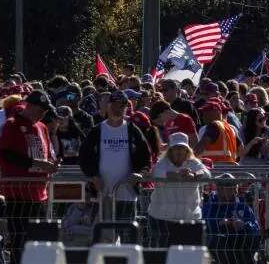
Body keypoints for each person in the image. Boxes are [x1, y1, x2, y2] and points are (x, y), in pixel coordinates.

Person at [0, 90, 58, 264]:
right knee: (19, 239)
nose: (42, 114)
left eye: (45, 111)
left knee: (38, 239)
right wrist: (35, 163)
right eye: (39, 109)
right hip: (18, 192)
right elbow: (6, 154)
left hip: (39, 192)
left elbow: (48, 153)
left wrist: (51, 164)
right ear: (29, 106)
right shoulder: (11, 125)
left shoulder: (42, 127)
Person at [78, 90, 151, 226]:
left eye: (121, 106)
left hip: (127, 194)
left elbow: (145, 157)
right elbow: (84, 157)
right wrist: (93, 177)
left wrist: (140, 174)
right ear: (108, 106)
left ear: (126, 108)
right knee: (101, 238)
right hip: (101, 195)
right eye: (114, 105)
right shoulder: (97, 130)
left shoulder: (132, 130)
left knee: (126, 238)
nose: (117, 109)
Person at [147, 132, 210, 248]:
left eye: (182, 148)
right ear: (170, 150)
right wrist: (177, 175)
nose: (179, 151)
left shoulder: (194, 163)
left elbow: (207, 174)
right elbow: (156, 174)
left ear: (187, 150)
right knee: (161, 258)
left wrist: (194, 174)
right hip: (162, 218)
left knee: (188, 257)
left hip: (189, 218)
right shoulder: (162, 164)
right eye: (175, 148)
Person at [202, 181, 260, 264]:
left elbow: (255, 227)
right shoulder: (209, 206)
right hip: (219, 240)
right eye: (228, 188)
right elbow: (203, 223)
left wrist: (243, 225)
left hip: (239, 241)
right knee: (219, 240)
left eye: (234, 188)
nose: (233, 191)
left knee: (248, 238)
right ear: (219, 190)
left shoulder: (242, 206)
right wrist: (219, 223)